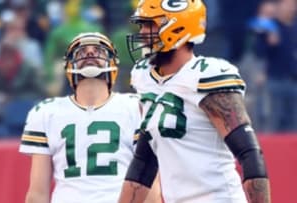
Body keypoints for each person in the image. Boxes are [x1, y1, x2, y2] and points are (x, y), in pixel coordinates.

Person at [118, 1, 271, 203]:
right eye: (142, 26)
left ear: (177, 28)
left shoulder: (206, 75)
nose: (144, 33)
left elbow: (249, 154)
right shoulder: (145, 78)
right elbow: (143, 163)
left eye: (150, 25)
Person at [19, 32, 161, 203]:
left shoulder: (135, 106)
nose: (90, 53)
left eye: (98, 50)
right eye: (82, 51)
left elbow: (148, 182)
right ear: (69, 64)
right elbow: (37, 193)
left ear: (113, 62)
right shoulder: (46, 112)